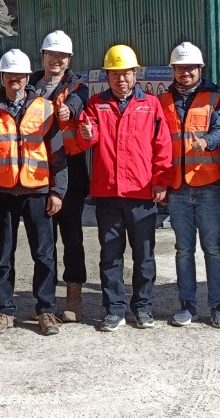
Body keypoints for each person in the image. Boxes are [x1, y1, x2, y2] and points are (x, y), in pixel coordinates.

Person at [74, 44, 172, 331]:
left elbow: (162, 146)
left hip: (141, 193)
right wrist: (86, 133)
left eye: (126, 73)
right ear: (107, 75)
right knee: (110, 255)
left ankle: (143, 308)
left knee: (144, 255)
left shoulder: (151, 105)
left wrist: (161, 181)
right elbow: (86, 139)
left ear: (134, 74)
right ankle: (114, 309)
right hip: (107, 193)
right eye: (115, 74)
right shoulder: (96, 105)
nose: (121, 79)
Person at [0, 49, 66, 336]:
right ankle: (5, 310)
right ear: (2, 77)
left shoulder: (45, 108)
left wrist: (57, 191)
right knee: (3, 255)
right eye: (10, 75)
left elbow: (57, 154)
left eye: (20, 75)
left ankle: (46, 309)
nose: (15, 79)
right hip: (2, 192)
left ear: (27, 77)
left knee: (44, 254)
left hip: (37, 191)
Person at [157, 43, 220, 327]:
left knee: (213, 249)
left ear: (200, 69)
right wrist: (160, 181)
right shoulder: (163, 101)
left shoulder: (214, 99)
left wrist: (207, 142)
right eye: (180, 68)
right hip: (178, 187)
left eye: (190, 68)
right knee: (184, 250)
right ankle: (187, 305)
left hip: (208, 184)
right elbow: (158, 143)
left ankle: (218, 306)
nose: (185, 73)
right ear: (173, 70)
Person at [30, 30, 92, 323]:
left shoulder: (78, 86)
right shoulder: (29, 85)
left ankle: (74, 295)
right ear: (42, 56)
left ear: (69, 59)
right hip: (35, 170)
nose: (57, 60)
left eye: (62, 56)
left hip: (71, 171)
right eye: (51, 54)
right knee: (44, 241)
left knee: (72, 236)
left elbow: (78, 101)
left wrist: (69, 110)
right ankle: (46, 300)